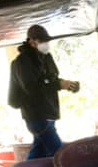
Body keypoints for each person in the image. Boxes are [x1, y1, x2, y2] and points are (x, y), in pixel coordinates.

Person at [8, 25, 80, 159]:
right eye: (42, 41)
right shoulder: (22, 62)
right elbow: (32, 87)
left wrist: (67, 84)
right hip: (35, 114)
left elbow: (52, 79)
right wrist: (58, 84)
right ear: (31, 42)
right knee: (60, 154)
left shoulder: (46, 57)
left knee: (38, 150)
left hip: (48, 111)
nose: (46, 44)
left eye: (46, 41)